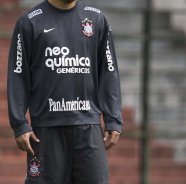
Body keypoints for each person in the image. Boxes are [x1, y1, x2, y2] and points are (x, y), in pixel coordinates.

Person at [7, 0, 123, 183]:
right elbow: (18, 75)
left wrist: (113, 118)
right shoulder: (29, 22)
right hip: (46, 131)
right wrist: (19, 123)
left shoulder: (96, 19)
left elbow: (109, 71)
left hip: (89, 128)